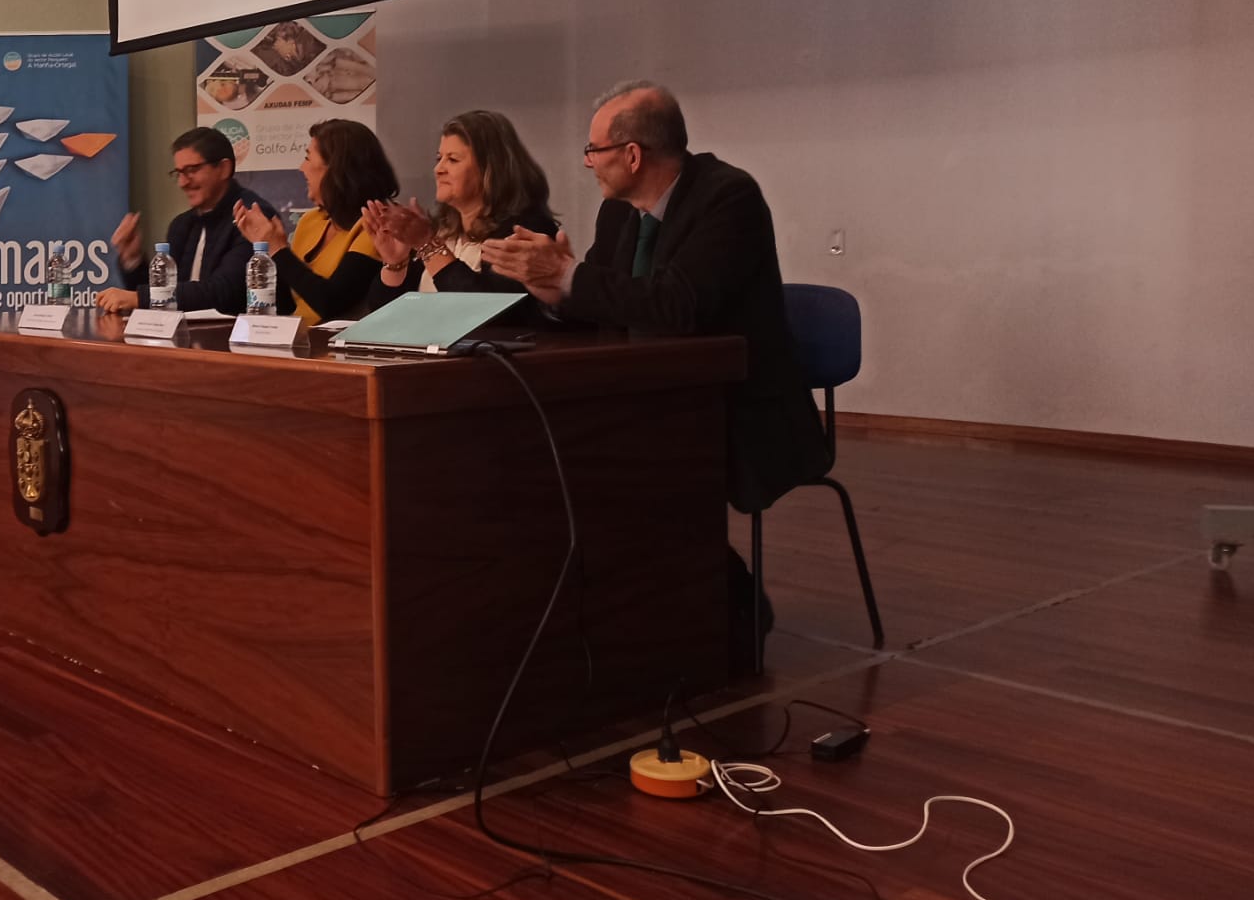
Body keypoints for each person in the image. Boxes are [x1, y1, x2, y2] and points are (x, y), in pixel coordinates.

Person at [481, 80, 829, 671]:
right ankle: (620, 624)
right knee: (557, 461)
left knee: (615, 473)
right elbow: (606, 301)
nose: (587, 163)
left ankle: (726, 611)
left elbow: (678, 304)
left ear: (633, 154)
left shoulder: (728, 197)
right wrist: (552, 291)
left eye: (593, 151)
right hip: (647, 399)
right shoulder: (618, 213)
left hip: (735, 404)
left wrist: (569, 277)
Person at [363, 109, 558, 304]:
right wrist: (395, 263)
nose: (438, 169)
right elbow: (382, 311)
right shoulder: (441, 229)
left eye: (452, 160)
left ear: (490, 169)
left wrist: (428, 245)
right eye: (439, 158)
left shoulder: (526, 230)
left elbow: (484, 306)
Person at [229, 119, 398, 325]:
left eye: (308, 158)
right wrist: (265, 249)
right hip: (296, 336)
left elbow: (332, 302)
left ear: (335, 170)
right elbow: (287, 302)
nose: (302, 168)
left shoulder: (376, 225)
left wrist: (278, 249)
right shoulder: (311, 221)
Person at [99, 127, 278, 314]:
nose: (182, 183)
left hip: (240, 331)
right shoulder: (182, 225)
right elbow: (163, 297)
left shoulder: (253, 218)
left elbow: (225, 291)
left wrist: (139, 297)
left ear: (224, 169)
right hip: (186, 331)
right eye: (179, 173)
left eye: (191, 170)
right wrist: (132, 259)